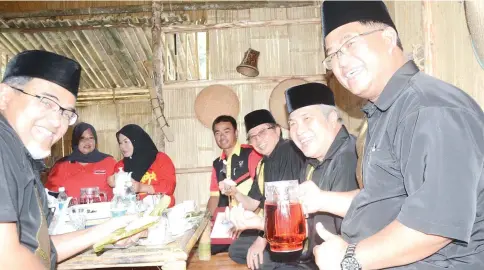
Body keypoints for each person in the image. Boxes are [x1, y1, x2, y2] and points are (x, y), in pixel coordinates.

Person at [304, 1, 484, 269]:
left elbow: (436, 226)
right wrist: (318, 199)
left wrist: (351, 259)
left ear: (388, 38)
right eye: (332, 56)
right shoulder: (386, 110)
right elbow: (385, 198)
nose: (341, 62)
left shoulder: (430, 108)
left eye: (349, 43)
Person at [0, 50, 141, 270]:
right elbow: (6, 258)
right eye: (47, 102)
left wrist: (106, 231)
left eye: (67, 113)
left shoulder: (21, 155)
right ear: (4, 96)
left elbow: (42, 251)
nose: (57, 122)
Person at [227, 83, 359, 269]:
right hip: (307, 252)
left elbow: (370, 213)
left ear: (332, 118)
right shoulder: (310, 162)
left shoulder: (349, 156)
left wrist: (264, 235)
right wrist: (259, 223)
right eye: (293, 123)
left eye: (307, 118)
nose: (299, 130)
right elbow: (297, 223)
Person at [228, 109, 305, 270]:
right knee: (236, 250)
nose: (258, 139)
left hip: (294, 231)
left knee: (257, 256)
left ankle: (294, 262)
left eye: (262, 132)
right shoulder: (263, 164)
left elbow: (283, 210)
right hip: (273, 230)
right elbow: (252, 204)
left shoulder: (287, 151)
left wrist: (261, 240)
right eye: (252, 136)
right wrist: (234, 192)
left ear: (277, 130)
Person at [205, 115, 262, 255]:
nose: (222, 136)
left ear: (236, 133)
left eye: (226, 131)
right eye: (217, 133)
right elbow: (214, 197)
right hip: (227, 222)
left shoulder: (251, 153)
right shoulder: (217, 163)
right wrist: (208, 222)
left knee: (235, 250)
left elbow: (262, 191)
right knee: (207, 248)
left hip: (251, 221)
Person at [107, 124, 176, 207]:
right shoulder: (121, 166)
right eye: (120, 143)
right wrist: (115, 183)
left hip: (159, 211)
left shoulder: (160, 159)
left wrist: (142, 187)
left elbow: (169, 187)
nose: (122, 146)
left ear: (137, 140)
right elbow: (119, 196)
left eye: (126, 141)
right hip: (131, 212)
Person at [45, 122, 116, 200]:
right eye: (82, 138)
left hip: (104, 211)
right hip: (72, 211)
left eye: (91, 138)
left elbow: (120, 190)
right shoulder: (61, 165)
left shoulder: (108, 161)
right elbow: (50, 196)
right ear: (76, 141)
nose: (87, 141)